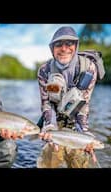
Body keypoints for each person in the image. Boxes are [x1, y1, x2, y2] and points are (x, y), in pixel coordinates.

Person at [37, 26, 99, 168]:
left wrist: (83, 132)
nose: (64, 49)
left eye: (69, 43)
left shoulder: (88, 68)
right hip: (53, 117)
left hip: (75, 114)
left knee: (79, 158)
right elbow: (47, 103)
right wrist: (50, 126)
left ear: (76, 46)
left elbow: (83, 104)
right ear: (52, 49)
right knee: (50, 155)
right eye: (58, 44)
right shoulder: (44, 71)